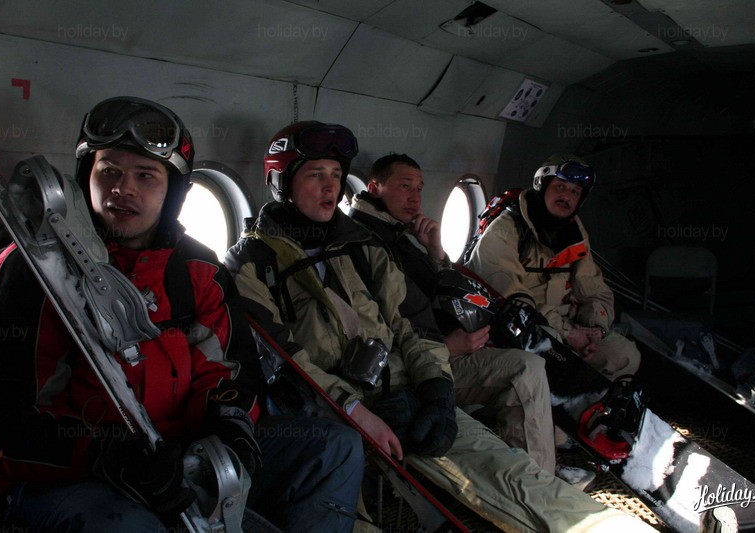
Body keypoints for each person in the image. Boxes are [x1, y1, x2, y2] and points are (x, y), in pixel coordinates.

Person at [227, 121, 657, 532]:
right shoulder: (251, 263)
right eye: (315, 175)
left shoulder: (360, 245)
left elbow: (412, 322)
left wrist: (435, 388)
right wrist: (355, 411)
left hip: (408, 391)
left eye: (336, 175)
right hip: (336, 416)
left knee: (526, 486)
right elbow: (284, 365)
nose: (330, 187)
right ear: (281, 182)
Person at [0, 98, 362, 532]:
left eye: (145, 175)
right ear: (85, 176)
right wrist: (105, 457)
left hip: (181, 449)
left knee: (334, 448)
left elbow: (228, 373)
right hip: (72, 474)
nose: (123, 188)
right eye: (108, 171)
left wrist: (231, 431)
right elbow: (8, 412)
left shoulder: (198, 269)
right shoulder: (35, 271)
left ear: (173, 189)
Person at [349, 153, 559, 476]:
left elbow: (442, 290)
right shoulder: (364, 243)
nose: (415, 198)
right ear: (375, 188)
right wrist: (449, 348)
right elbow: (381, 330)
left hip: (442, 348)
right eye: (405, 187)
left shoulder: (399, 234)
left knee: (534, 351)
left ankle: (535, 462)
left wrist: (435, 250)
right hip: (422, 366)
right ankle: (537, 482)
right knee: (525, 370)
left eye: (420, 189)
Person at [466, 153, 641, 380]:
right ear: (542, 185)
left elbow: (595, 290)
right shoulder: (507, 229)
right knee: (552, 346)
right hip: (519, 327)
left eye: (575, 192)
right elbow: (510, 299)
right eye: (561, 187)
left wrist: (595, 329)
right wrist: (568, 332)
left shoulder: (575, 234)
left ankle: (593, 401)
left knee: (625, 355)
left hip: (566, 326)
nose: (567, 196)